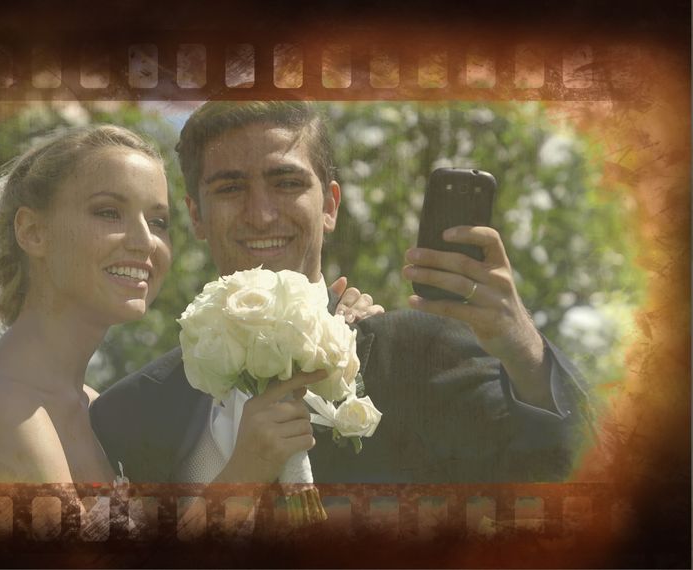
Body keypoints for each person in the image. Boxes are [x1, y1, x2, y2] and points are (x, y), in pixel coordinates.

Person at [89, 102, 594, 486]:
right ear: (196, 214)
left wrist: (521, 347)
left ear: (329, 205)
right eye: (230, 188)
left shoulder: (421, 352)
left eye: (286, 182)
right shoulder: (130, 412)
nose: (261, 213)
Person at [0, 123, 383, 485]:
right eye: (108, 212)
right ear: (32, 231)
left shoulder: (91, 404)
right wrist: (241, 477)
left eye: (157, 222)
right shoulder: (5, 414)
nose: (144, 242)